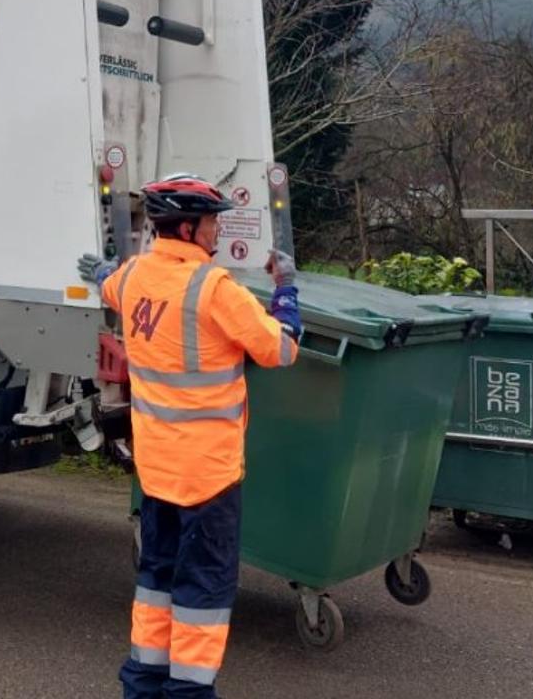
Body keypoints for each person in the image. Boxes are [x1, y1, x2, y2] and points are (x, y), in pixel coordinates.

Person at [79, 174, 303, 699]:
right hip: (208, 476)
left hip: (156, 470)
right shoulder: (215, 289)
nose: (218, 230)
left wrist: (104, 271)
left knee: (156, 581)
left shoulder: (134, 277)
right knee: (203, 590)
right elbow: (281, 350)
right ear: (187, 227)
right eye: (211, 221)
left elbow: (112, 282)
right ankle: (189, 693)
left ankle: (143, 685)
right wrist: (287, 291)